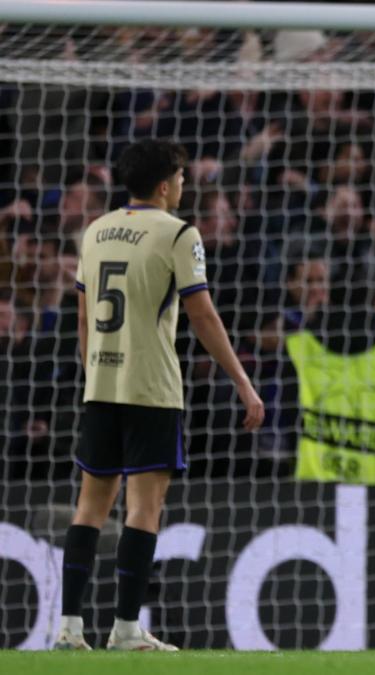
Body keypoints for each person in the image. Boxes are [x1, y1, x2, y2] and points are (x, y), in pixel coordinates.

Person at [52, 139, 264, 651]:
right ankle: (125, 629)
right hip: (152, 389)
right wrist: (241, 379)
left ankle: (68, 628)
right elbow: (203, 314)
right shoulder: (179, 234)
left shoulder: (96, 230)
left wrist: (94, 374)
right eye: (182, 178)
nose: (185, 186)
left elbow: (82, 318)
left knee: (89, 507)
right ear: (166, 184)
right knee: (145, 508)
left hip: (101, 388)